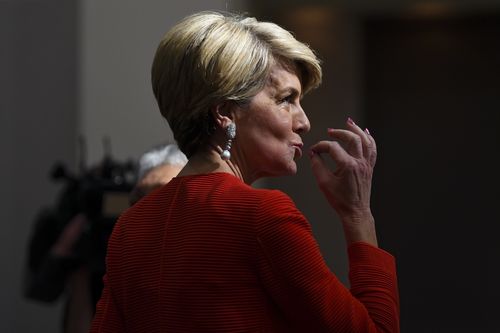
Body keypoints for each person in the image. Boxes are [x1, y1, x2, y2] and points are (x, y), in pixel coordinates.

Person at [91, 11, 399, 332]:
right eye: (286, 100)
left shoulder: (131, 227)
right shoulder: (264, 215)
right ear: (225, 111)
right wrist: (358, 214)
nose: (304, 122)